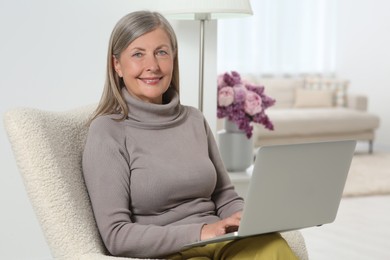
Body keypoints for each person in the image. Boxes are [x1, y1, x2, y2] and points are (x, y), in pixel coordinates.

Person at [82, 10, 298, 259]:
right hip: (169, 250)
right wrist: (201, 232)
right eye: (138, 54)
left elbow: (224, 194)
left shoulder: (194, 119)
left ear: (173, 58)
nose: (152, 66)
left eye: (161, 52)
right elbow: (116, 236)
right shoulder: (108, 131)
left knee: (273, 247)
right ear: (117, 65)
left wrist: (243, 218)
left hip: (221, 238)